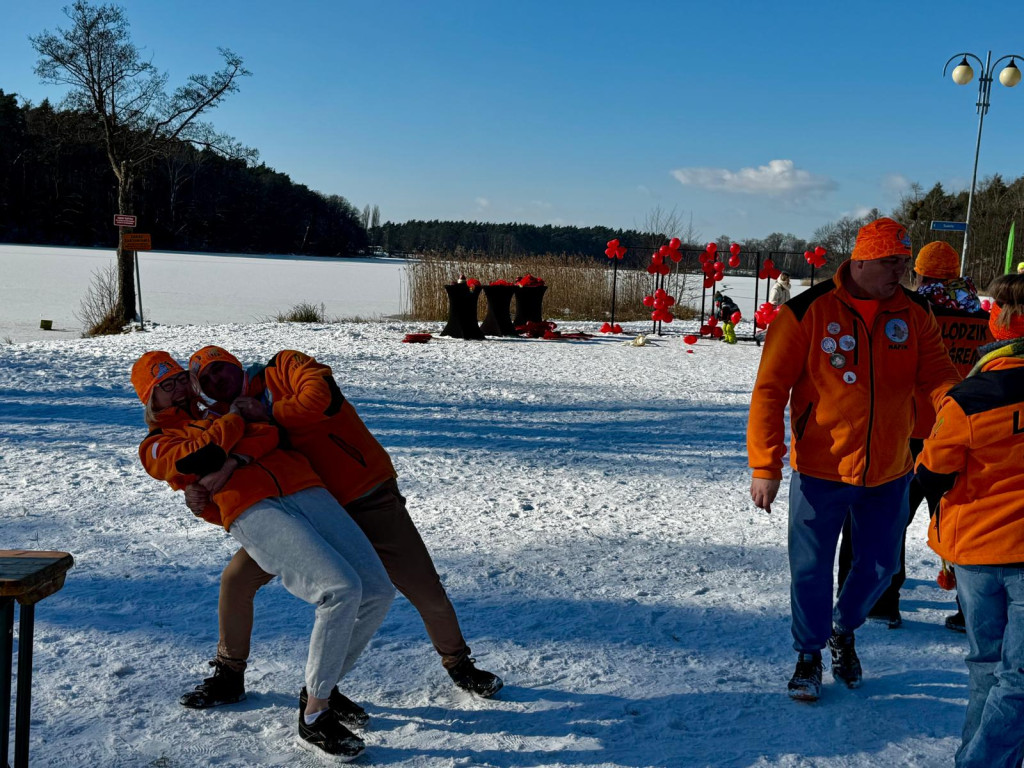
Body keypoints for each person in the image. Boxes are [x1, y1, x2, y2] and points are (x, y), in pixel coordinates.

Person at [180, 346, 502, 714]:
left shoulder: (282, 368)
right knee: (236, 580)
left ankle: (458, 664)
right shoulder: (231, 419)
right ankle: (228, 675)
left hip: (367, 496)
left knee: (423, 588)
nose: (216, 380)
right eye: (206, 380)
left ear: (235, 365)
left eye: (219, 369)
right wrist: (203, 496)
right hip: (309, 509)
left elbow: (321, 399)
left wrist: (269, 411)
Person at [130, 351, 394, 762]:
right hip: (252, 508)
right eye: (166, 386)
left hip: (304, 486)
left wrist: (233, 454)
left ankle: (320, 683)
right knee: (339, 591)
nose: (179, 388)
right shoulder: (156, 444)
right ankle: (316, 714)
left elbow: (268, 434)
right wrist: (234, 427)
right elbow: (194, 459)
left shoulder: (215, 412)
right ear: (151, 400)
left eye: (181, 378)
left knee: (377, 590)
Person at [747, 217, 960, 702]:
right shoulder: (806, 311)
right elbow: (769, 391)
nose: (900, 272)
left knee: (882, 565)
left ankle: (844, 629)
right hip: (820, 469)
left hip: (891, 468)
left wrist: (961, 409)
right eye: (891, 262)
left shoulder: (915, 313)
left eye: (905, 262)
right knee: (810, 568)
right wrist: (766, 465)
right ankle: (808, 654)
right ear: (860, 260)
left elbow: (938, 375)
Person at [836, 241, 990, 629]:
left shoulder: (910, 313)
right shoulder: (979, 316)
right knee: (961, 518)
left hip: (906, 431)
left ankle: (884, 599)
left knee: (888, 518)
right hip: (959, 430)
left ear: (919, 273)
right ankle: (968, 607)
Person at [916, 273, 1024, 768]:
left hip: (977, 550)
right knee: (1015, 678)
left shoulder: (969, 398)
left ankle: (974, 759)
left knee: (988, 667)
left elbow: (933, 470)